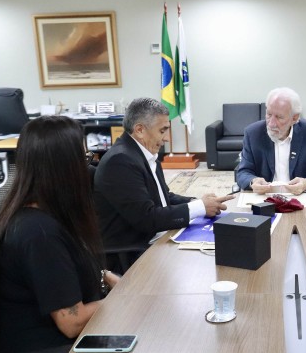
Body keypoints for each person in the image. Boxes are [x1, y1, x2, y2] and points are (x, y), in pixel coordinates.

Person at [0, 116, 121, 353]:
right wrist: (125, 298)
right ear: (62, 167)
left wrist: (106, 277)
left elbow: (70, 270)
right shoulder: (39, 234)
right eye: (84, 158)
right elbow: (72, 322)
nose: (88, 167)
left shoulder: (42, 216)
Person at [95, 98, 231, 253]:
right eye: (162, 131)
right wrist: (199, 207)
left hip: (155, 237)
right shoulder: (120, 161)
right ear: (139, 130)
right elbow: (146, 218)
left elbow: (164, 197)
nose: (167, 138)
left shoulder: (144, 154)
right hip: (133, 251)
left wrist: (197, 202)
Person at [236, 87, 306, 195]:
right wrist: (253, 181)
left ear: (294, 118)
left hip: (300, 196)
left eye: (279, 117)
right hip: (265, 197)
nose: (271, 124)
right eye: (269, 114)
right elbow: (243, 173)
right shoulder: (253, 133)